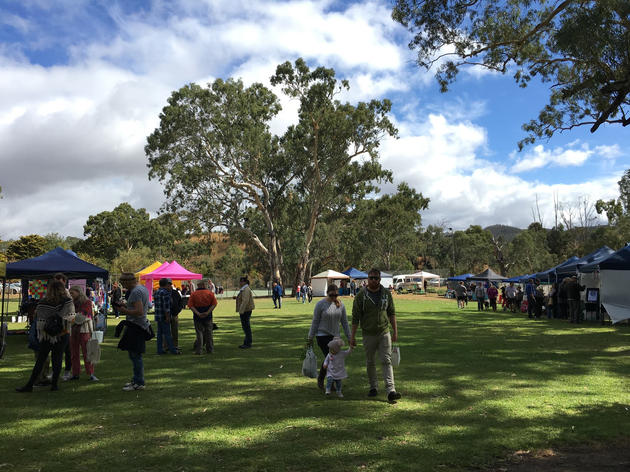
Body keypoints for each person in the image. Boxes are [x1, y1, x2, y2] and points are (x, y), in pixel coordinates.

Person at [350, 268, 401, 402]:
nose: (373, 280)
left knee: (386, 360)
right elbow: (355, 317)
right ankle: (373, 387)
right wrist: (352, 336)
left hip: (384, 332)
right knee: (370, 361)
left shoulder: (386, 293)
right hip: (368, 334)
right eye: (371, 278)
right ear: (367, 279)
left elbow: (392, 312)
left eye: (376, 278)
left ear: (380, 279)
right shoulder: (361, 295)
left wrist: (395, 330)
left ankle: (391, 390)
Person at [16, 280, 75, 392]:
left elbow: (38, 319)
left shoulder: (43, 302)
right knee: (57, 359)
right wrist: (61, 330)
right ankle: (54, 385)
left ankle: (29, 385)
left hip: (46, 335)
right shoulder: (68, 301)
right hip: (62, 334)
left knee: (41, 360)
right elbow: (71, 318)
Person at [307, 284, 351, 390]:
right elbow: (315, 322)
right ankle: (328, 382)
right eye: (332, 295)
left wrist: (350, 337)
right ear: (327, 293)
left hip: (335, 337)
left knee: (332, 359)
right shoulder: (320, 304)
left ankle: (324, 379)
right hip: (322, 336)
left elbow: (344, 322)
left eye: (336, 295)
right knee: (330, 357)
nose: (334, 297)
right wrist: (310, 337)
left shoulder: (341, 305)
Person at [116, 272, 151, 391]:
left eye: (123, 283)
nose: (123, 286)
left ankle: (139, 382)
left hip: (136, 326)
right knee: (134, 355)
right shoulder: (142, 288)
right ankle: (136, 379)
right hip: (139, 325)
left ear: (129, 281)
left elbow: (139, 311)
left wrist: (123, 310)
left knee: (135, 355)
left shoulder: (135, 292)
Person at [68, 286, 98, 381]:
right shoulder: (71, 303)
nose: (71, 295)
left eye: (72, 293)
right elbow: (67, 315)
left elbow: (83, 316)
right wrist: (73, 317)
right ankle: (75, 373)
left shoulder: (87, 302)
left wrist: (72, 318)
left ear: (78, 292)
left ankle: (91, 374)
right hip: (73, 330)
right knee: (74, 353)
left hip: (84, 330)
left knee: (88, 352)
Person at [187, 279, 218, 354]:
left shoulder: (194, 294)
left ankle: (199, 350)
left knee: (199, 333)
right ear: (204, 285)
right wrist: (207, 312)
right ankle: (210, 349)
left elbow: (190, 306)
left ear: (198, 285)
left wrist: (197, 313)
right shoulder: (210, 293)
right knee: (209, 333)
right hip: (208, 316)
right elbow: (214, 304)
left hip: (197, 317)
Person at [154, 278, 179, 355]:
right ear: (166, 284)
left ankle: (160, 350)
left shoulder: (157, 292)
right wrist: (168, 317)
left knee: (159, 334)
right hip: (164, 316)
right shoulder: (166, 293)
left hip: (158, 315)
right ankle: (173, 350)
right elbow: (166, 307)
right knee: (168, 334)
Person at [235, 276, 255, 349]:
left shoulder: (245, 289)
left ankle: (248, 343)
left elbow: (245, 301)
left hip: (245, 310)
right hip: (245, 310)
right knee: (245, 327)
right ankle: (247, 342)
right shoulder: (244, 289)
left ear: (244, 282)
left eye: (241, 281)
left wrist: (241, 311)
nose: (240, 283)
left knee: (246, 327)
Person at [166, 282, 183, 351]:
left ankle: (175, 345)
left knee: (175, 331)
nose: (169, 286)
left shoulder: (175, 293)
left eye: (170, 285)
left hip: (174, 314)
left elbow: (180, 302)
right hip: (166, 315)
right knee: (166, 331)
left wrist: (178, 310)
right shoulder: (164, 292)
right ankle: (166, 346)